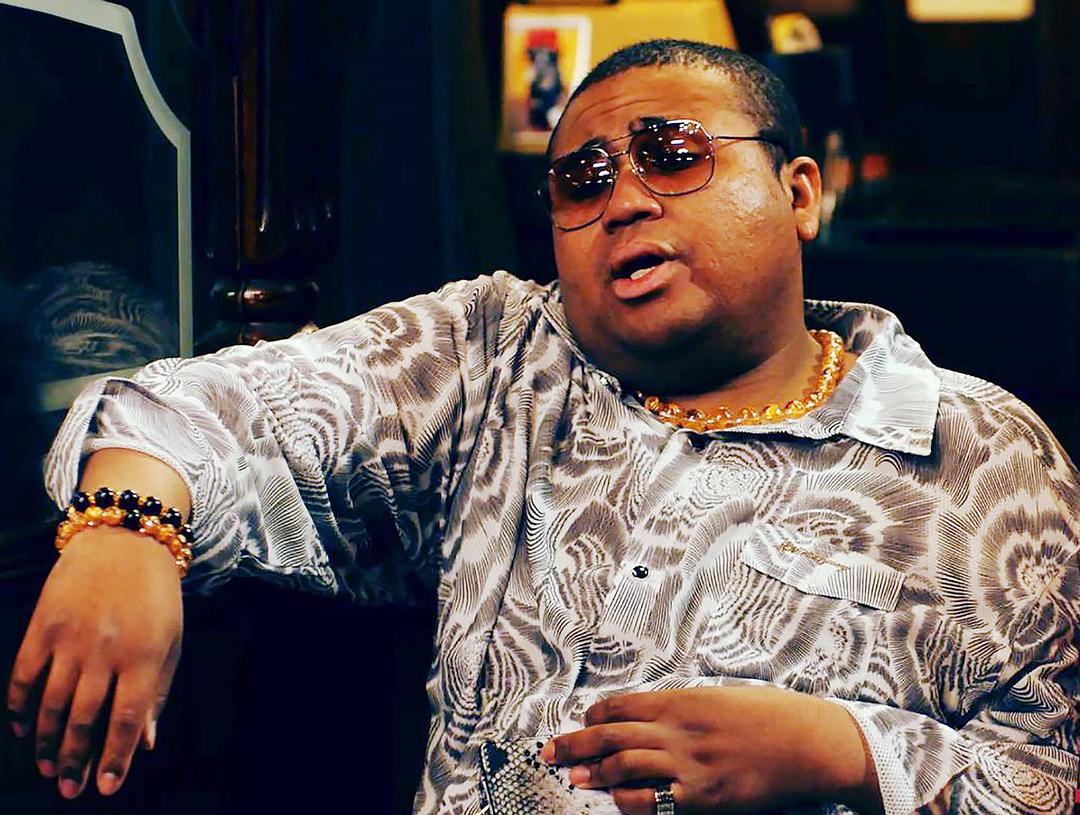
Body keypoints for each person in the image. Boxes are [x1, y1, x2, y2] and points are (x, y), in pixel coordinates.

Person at [6, 39, 1079, 815]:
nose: (625, 200)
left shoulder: (981, 455)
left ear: (798, 192)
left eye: (673, 153)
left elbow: (1054, 771)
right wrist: (127, 528)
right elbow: (222, 402)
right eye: (583, 179)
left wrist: (843, 752)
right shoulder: (499, 353)